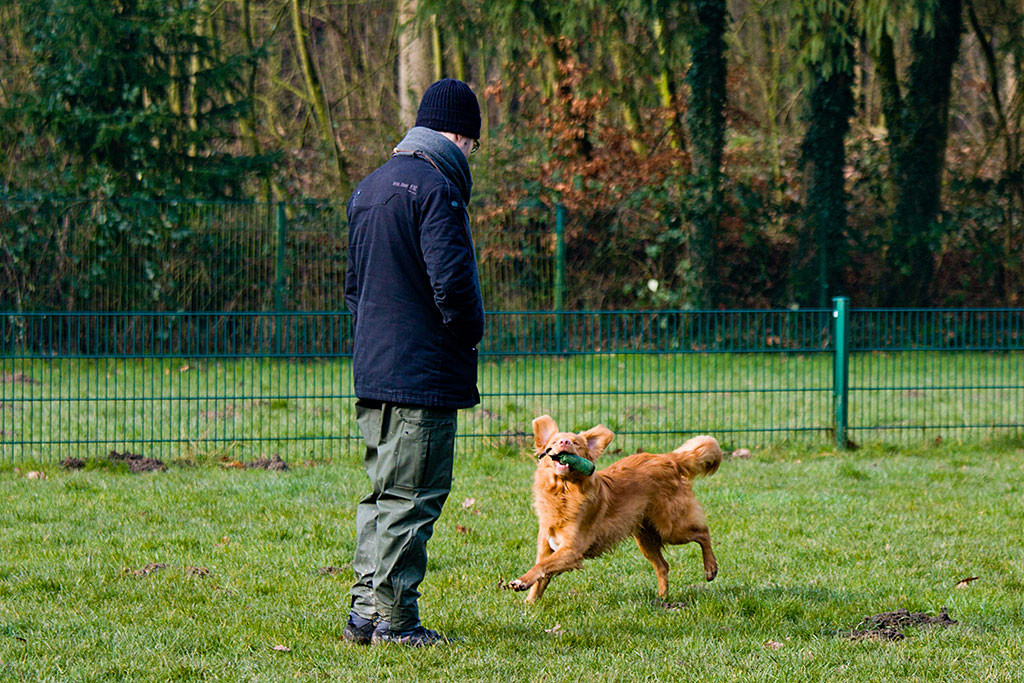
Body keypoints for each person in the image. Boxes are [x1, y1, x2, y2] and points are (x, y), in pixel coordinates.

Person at [341, 78, 485, 647]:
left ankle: (363, 613)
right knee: (414, 496)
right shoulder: (437, 189)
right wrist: (469, 333)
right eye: (472, 142)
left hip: (374, 369)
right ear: (456, 134)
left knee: (380, 496)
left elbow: (353, 290)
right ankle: (396, 622)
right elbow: (453, 286)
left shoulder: (370, 188)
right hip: (421, 375)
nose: (471, 154)